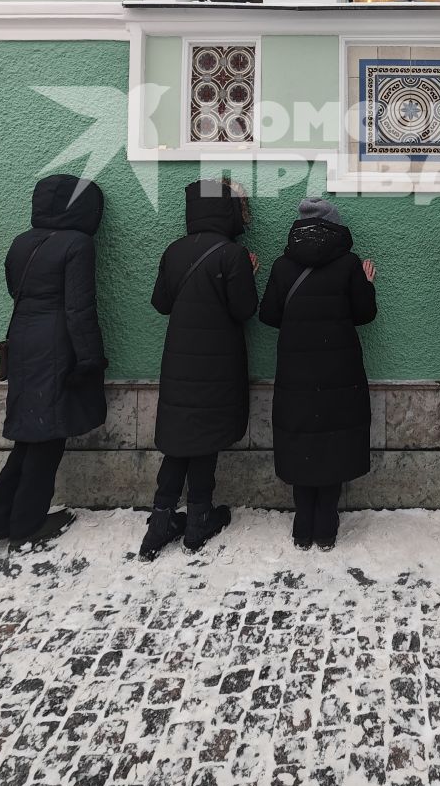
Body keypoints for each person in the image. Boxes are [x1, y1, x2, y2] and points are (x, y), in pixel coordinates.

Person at [0, 174, 108, 555]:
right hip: (57, 342)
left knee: (30, 435)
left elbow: (15, 289)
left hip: (23, 337)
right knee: (48, 436)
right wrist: (90, 358)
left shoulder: (22, 241)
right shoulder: (78, 243)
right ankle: (27, 524)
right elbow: (79, 307)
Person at [139, 177, 258, 559]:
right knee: (205, 440)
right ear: (227, 212)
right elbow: (244, 310)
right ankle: (197, 522)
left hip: (178, 359)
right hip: (218, 361)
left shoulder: (174, 251)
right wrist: (249, 278)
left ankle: (159, 522)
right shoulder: (231, 255)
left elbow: (161, 303)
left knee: (178, 441)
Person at [259, 197, 377, 550]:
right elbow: (364, 315)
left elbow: (268, 315)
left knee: (301, 436)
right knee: (334, 439)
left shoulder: (283, 266)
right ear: (336, 227)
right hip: (339, 370)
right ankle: (326, 524)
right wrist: (366, 284)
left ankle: (302, 524)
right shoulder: (349, 264)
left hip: (296, 370)